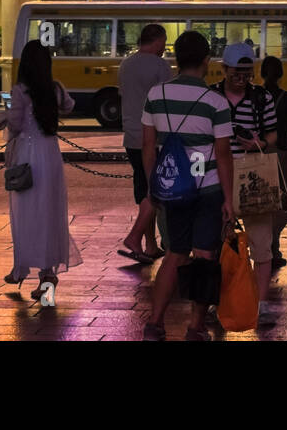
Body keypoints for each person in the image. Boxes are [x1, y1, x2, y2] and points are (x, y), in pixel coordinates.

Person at [141, 30, 233, 342]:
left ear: (175, 59)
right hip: (207, 189)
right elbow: (223, 155)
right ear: (206, 61)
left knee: (175, 254)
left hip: (173, 190)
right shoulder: (215, 102)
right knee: (204, 255)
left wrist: (157, 184)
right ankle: (195, 327)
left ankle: (154, 323)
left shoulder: (156, 95)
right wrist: (229, 200)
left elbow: (148, 146)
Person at [0, 40, 82, 299]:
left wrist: (2, 117)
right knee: (49, 212)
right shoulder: (54, 88)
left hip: (27, 154)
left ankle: (23, 267)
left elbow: (16, 124)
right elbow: (69, 106)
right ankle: (46, 273)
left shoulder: (19, 91)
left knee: (26, 212)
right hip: (50, 154)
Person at [215, 42, 279, 326]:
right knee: (219, 245)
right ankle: (218, 302)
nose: (242, 77)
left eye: (246, 72)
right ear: (224, 69)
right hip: (218, 176)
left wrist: (259, 143)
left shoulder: (261, 97)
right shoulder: (212, 97)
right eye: (236, 72)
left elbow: (274, 135)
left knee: (262, 244)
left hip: (253, 174)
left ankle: (262, 304)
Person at [117, 23, 172, 265]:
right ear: (158, 41)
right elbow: (166, 101)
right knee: (157, 190)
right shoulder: (161, 65)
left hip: (131, 136)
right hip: (154, 137)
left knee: (143, 189)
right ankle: (135, 236)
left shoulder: (125, 64)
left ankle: (150, 245)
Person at [262, 54, 287, 270]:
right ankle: (270, 244)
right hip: (282, 155)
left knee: (261, 203)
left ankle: (268, 248)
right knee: (284, 204)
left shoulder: (254, 96)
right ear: (281, 74)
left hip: (257, 155)